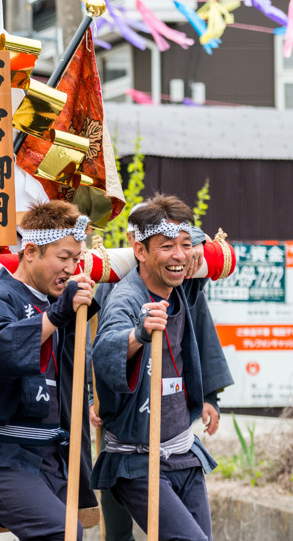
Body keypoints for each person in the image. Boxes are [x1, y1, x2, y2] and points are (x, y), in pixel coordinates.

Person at [0, 200, 97, 541]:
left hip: (49, 459)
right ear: (30, 251)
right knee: (63, 533)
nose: (71, 269)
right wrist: (56, 316)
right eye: (63, 257)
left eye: (77, 260)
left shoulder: (55, 303)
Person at [91, 194, 226, 541]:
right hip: (137, 459)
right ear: (139, 250)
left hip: (183, 451)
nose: (179, 255)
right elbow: (104, 349)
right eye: (167, 246)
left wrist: (209, 395)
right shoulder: (125, 297)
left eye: (185, 245)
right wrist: (137, 334)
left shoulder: (181, 283)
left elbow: (202, 335)